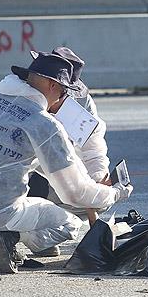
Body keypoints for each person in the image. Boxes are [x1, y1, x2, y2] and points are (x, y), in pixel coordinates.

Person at [0, 53, 133, 273]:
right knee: (70, 224)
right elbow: (75, 193)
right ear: (52, 85)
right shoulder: (43, 124)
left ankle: (2, 237)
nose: (61, 100)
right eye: (62, 92)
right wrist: (115, 193)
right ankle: (8, 237)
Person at [26, 47, 112, 257]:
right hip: (22, 180)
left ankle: (41, 235)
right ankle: (6, 237)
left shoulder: (80, 107)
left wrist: (97, 183)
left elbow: (92, 148)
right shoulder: (27, 101)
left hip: (57, 175)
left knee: (100, 196)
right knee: (38, 180)